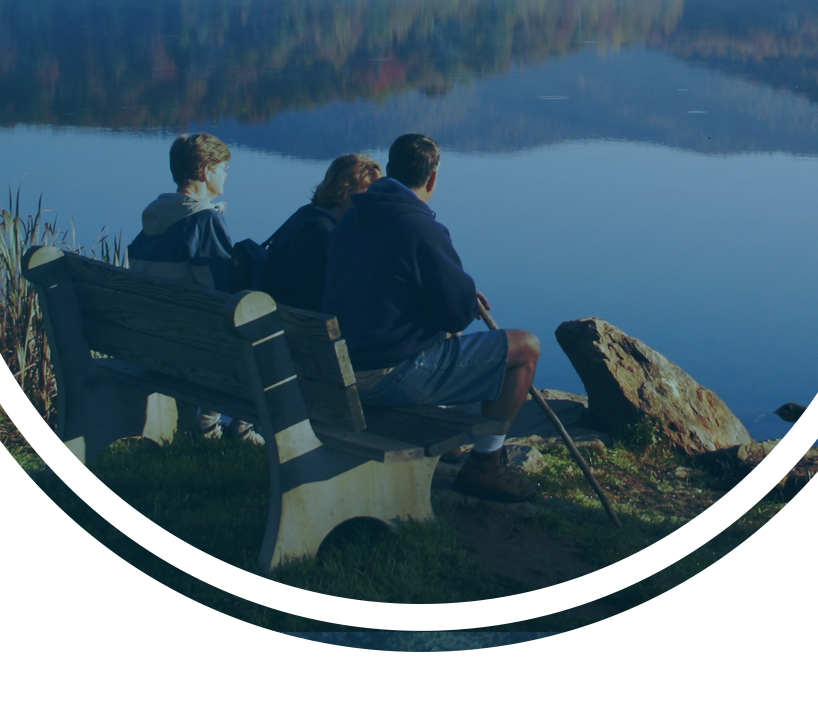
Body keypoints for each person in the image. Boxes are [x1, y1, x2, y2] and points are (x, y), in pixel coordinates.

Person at [323, 134, 541, 502]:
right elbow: (454, 315)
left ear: (388, 171)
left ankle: (456, 449)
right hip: (385, 378)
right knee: (525, 348)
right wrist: (466, 299)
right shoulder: (420, 228)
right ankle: (486, 464)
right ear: (433, 178)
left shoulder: (351, 219)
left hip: (338, 368)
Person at [127, 133, 261, 443]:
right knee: (259, 332)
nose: (226, 174)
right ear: (205, 170)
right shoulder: (202, 221)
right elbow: (222, 294)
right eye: (223, 168)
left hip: (146, 337)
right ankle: (225, 426)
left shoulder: (154, 219)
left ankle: (210, 423)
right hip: (189, 345)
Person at [265, 154, 382, 311]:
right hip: (304, 327)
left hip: (282, 316)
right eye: (366, 191)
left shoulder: (306, 214)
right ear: (344, 190)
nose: (373, 202)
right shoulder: (325, 235)